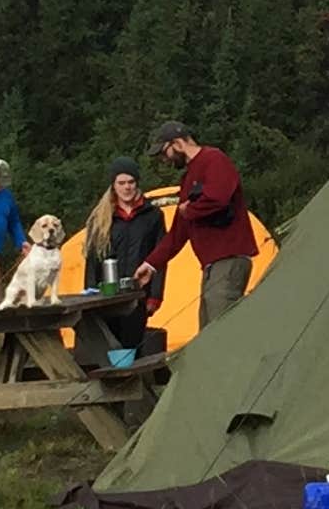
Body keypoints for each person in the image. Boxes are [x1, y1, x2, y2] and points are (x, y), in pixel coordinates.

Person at [135, 121, 258, 325]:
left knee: (221, 330)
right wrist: (151, 264)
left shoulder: (214, 160)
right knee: (207, 330)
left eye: (164, 152)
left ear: (177, 143)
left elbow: (218, 198)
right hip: (212, 266)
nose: (164, 160)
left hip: (229, 259)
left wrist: (189, 209)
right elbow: (177, 233)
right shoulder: (188, 177)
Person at [79, 157, 165, 361]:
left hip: (138, 294)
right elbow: (92, 261)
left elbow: (160, 257)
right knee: (108, 347)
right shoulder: (100, 218)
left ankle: (134, 387)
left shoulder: (153, 215)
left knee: (132, 345)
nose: (127, 187)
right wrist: (90, 292)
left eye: (131, 182)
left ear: (137, 183)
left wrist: (155, 295)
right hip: (106, 295)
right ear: (113, 185)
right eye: (121, 183)